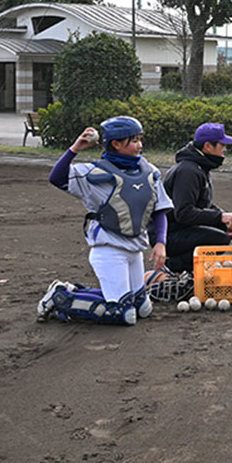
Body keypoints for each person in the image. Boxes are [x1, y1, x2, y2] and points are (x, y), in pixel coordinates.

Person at [38, 116, 173, 325]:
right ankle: (59, 297)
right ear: (116, 144)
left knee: (142, 308)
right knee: (122, 313)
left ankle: (75, 292)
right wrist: (75, 149)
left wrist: (161, 242)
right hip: (109, 250)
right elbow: (57, 178)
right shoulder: (94, 173)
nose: (140, 145)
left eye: (140, 139)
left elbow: (159, 210)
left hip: (134, 249)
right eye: (134, 140)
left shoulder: (150, 172)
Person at [158, 122, 232, 274]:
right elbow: (184, 213)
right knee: (219, 239)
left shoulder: (198, 167)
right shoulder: (188, 171)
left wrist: (226, 217)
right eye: (222, 145)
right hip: (168, 236)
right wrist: (220, 217)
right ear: (208, 146)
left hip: (179, 229)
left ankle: (189, 268)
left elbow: (203, 205)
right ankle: (170, 267)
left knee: (220, 228)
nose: (225, 149)